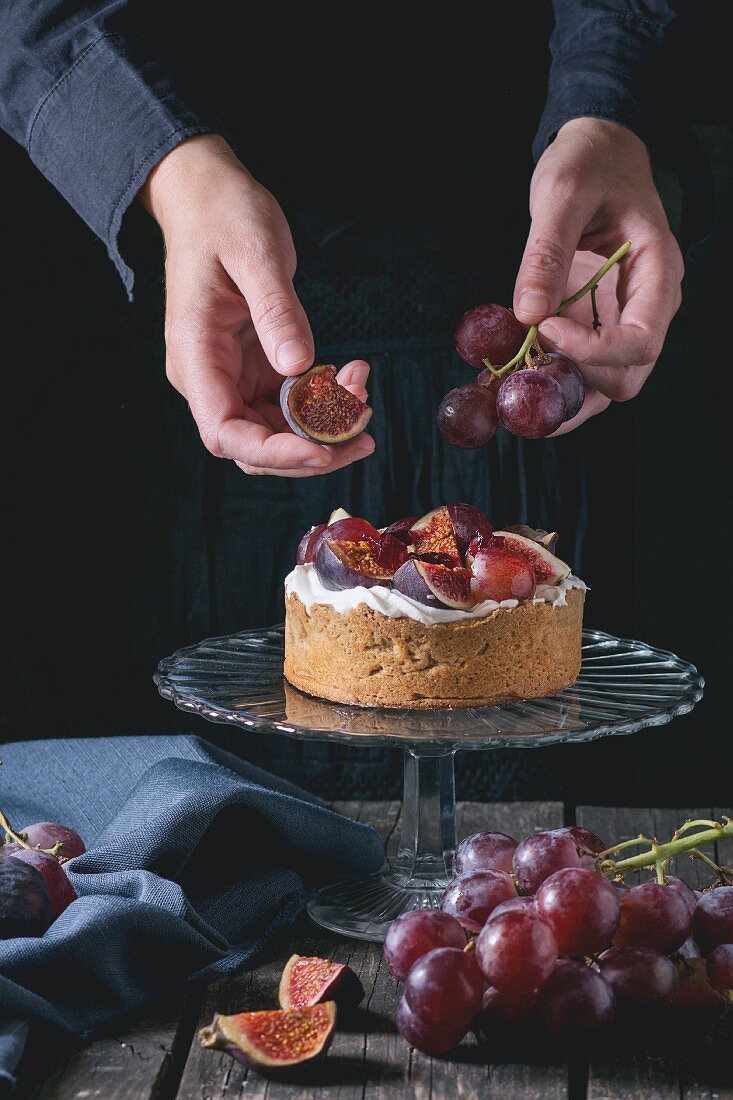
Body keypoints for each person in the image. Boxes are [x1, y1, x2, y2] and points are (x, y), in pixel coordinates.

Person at [0, 2, 712, 800]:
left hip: (531, 310)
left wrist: (605, 102)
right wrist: (165, 165)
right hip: (166, 333)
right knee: (208, 829)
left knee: (511, 828)